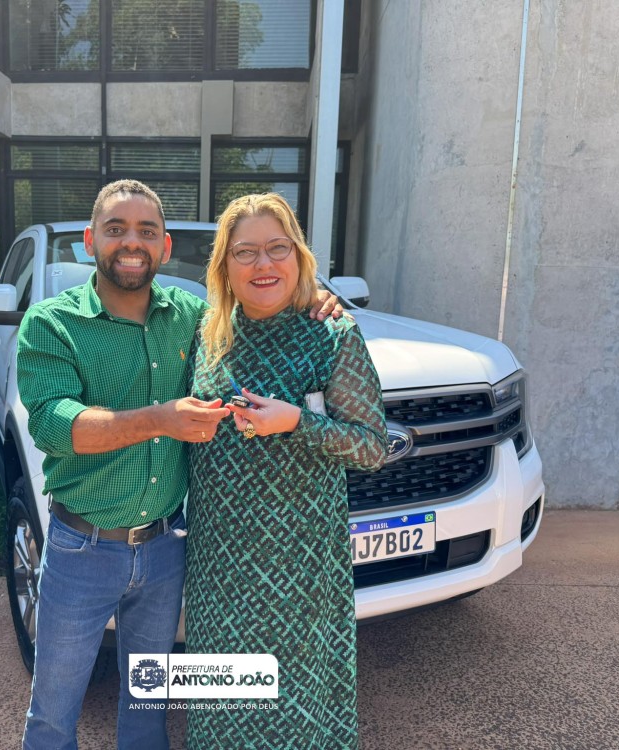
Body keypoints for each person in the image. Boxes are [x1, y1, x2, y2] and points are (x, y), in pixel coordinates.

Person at [16, 179, 341, 749]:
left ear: (164, 248)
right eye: (116, 229)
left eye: (147, 231)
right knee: (53, 715)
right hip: (82, 550)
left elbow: (257, 296)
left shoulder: (194, 318)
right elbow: (53, 425)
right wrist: (160, 419)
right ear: (91, 240)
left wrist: (310, 296)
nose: (132, 242)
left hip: (166, 549)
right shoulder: (51, 323)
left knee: (148, 709)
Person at [183, 193, 388, 749]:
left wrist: (297, 422)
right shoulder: (206, 334)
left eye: (278, 248)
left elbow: (372, 447)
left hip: (300, 571)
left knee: (294, 715)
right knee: (219, 709)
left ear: (299, 255)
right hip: (219, 567)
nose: (263, 264)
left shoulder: (332, 334)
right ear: (224, 264)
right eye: (245, 252)